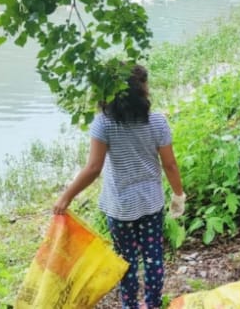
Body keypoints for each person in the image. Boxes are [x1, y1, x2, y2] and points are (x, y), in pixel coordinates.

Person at [53, 64, 185, 309]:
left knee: (126, 260)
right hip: (150, 203)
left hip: (120, 207)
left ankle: (130, 306)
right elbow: (170, 164)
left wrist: (66, 197)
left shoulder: (104, 124)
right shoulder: (157, 122)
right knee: (153, 255)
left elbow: (93, 168)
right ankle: (153, 304)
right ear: (142, 90)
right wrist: (179, 195)